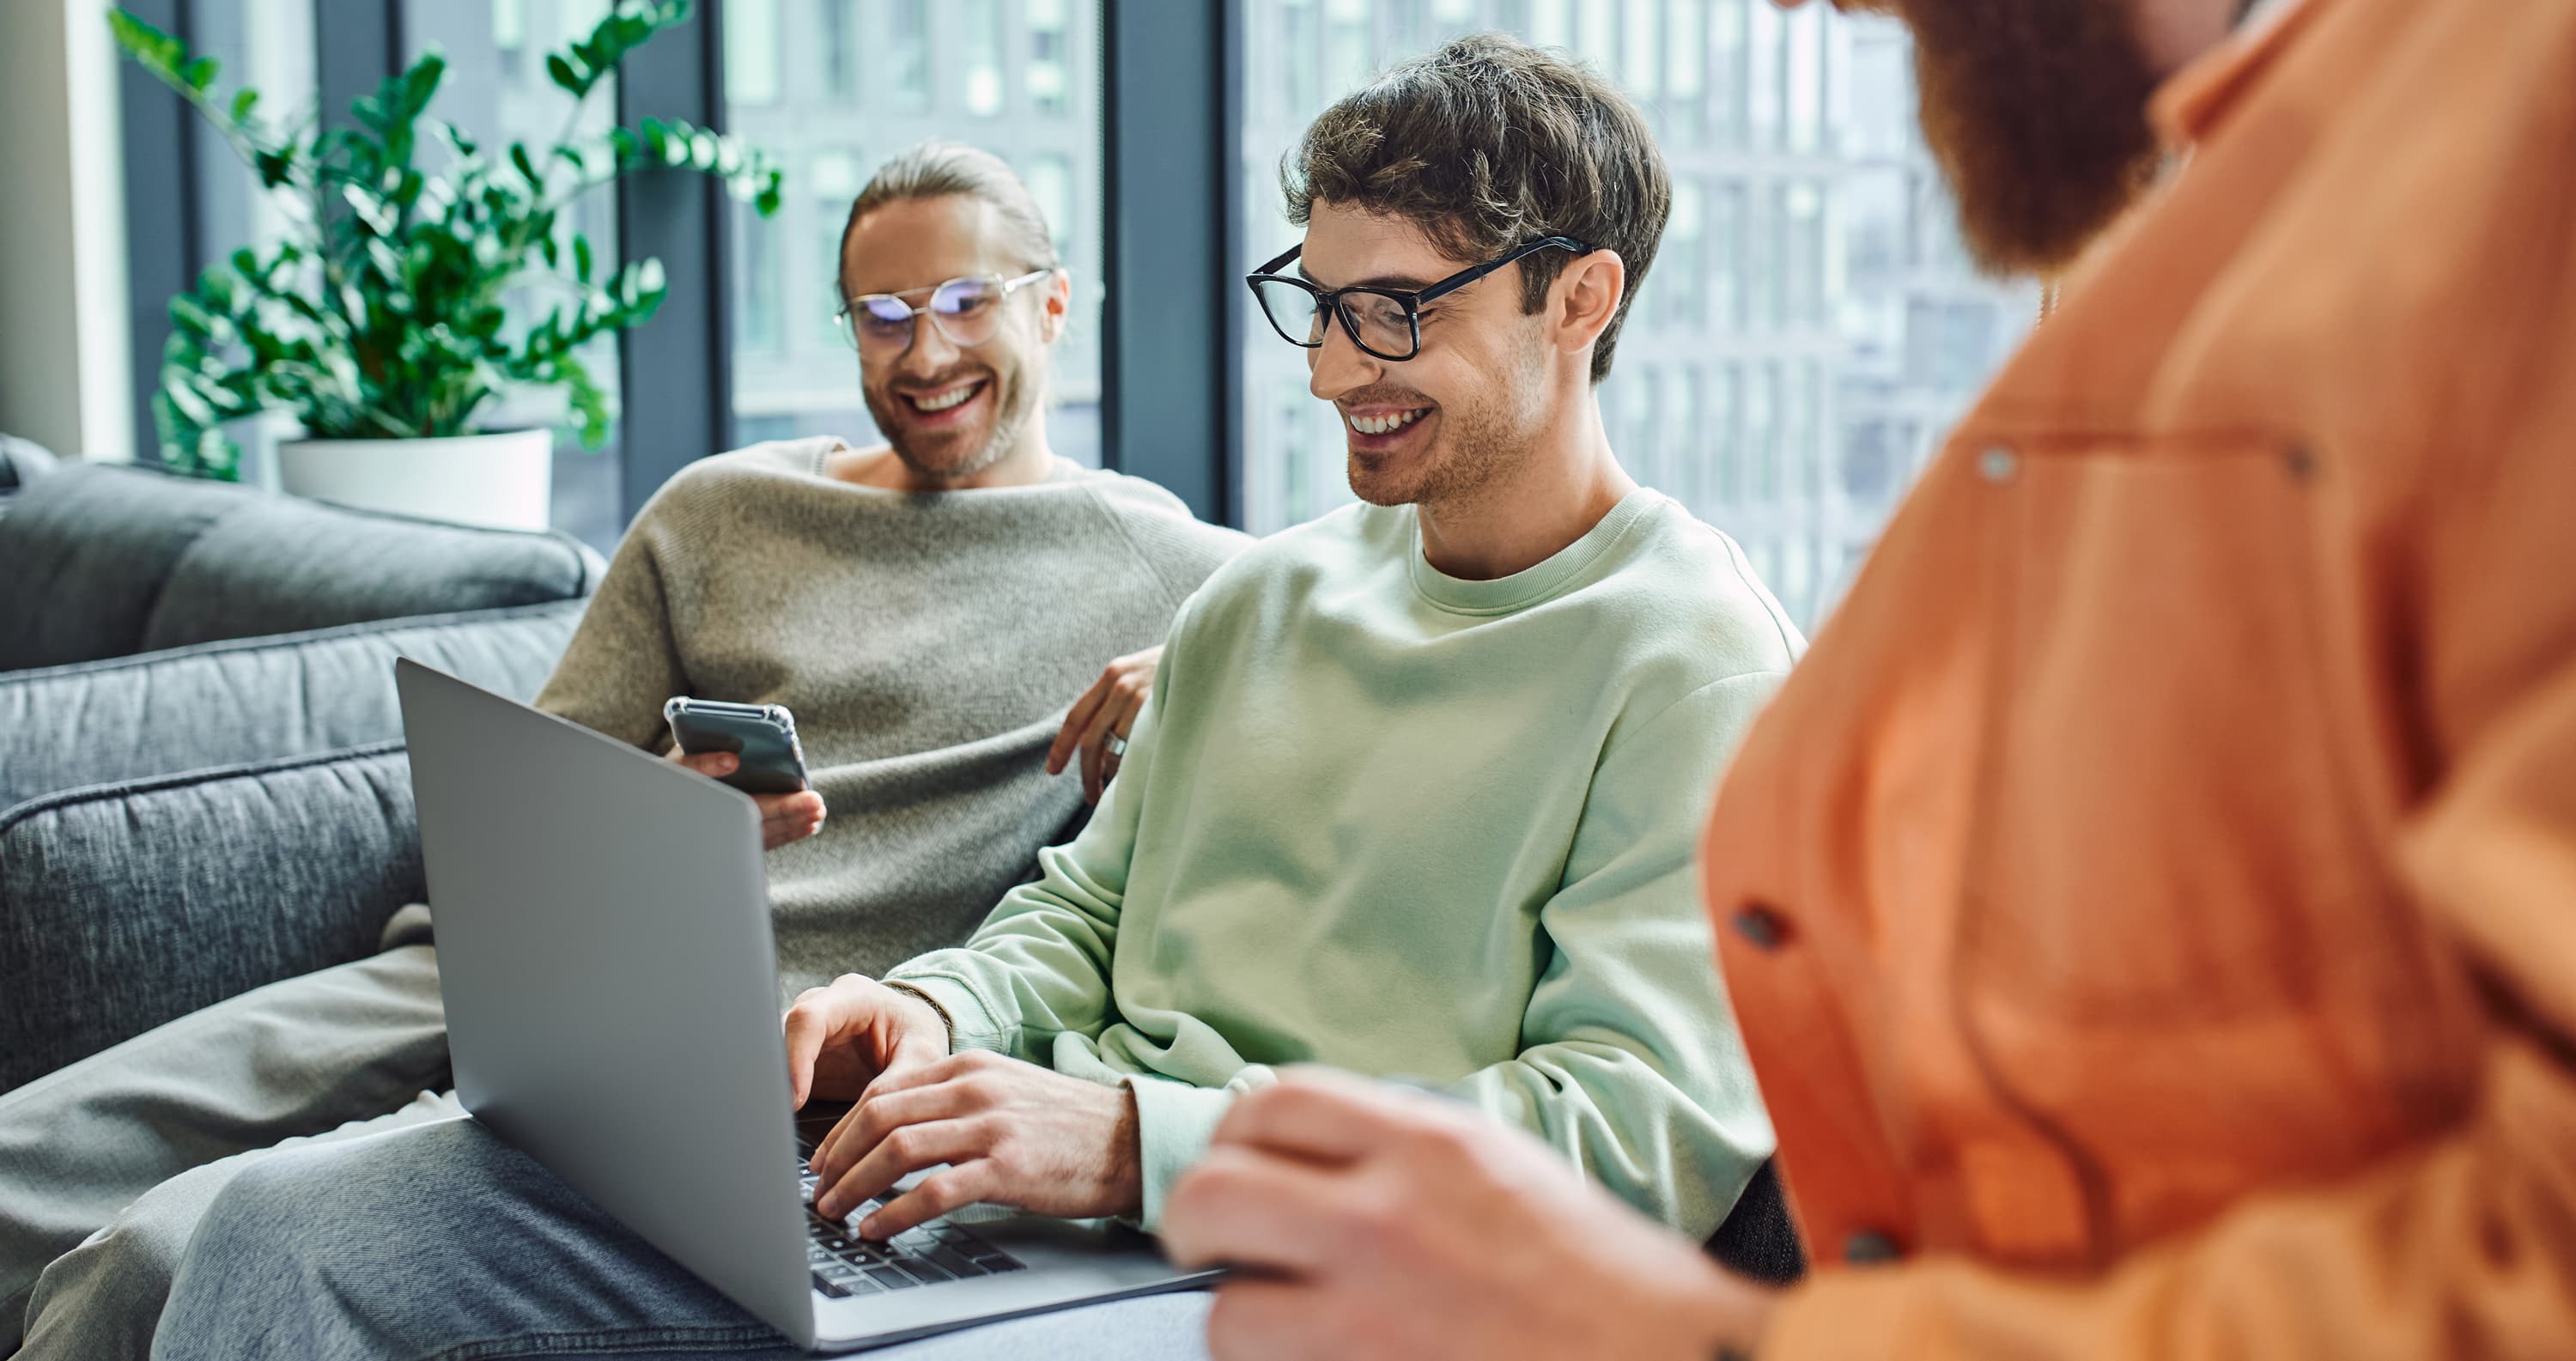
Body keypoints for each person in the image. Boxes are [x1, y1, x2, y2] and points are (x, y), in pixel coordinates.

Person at [149, 33, 1804, 1359]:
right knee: (288, 1237)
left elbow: (1627, 1142)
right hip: (1011, 1201)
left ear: (1575, 299)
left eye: (1393, 314)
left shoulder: (1691, 662)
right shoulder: (1264, 597)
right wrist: (932, 1012)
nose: (1328, 372)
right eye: (1315, 304)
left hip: (1271, 1275)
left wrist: (1131, 1143)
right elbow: (1076, 917)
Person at [1139, 0, 2576, 1357]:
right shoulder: (2264, 191)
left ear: (1580, 303)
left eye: (1389, 310)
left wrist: (1713, 1337)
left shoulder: (2512, 157)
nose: (1795, 10)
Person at [0, 141, 1246, 1361]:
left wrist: (1191, 664)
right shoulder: (719, 508)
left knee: (156, 1259)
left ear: (1054, 302)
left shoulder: (1183, 578)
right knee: (26, 1163)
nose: (924, 353)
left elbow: (1384, 579)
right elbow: (509, 808)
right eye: (881, 314)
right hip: (492, 960)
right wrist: (650, 816)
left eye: (967, 302)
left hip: (723, 1047)